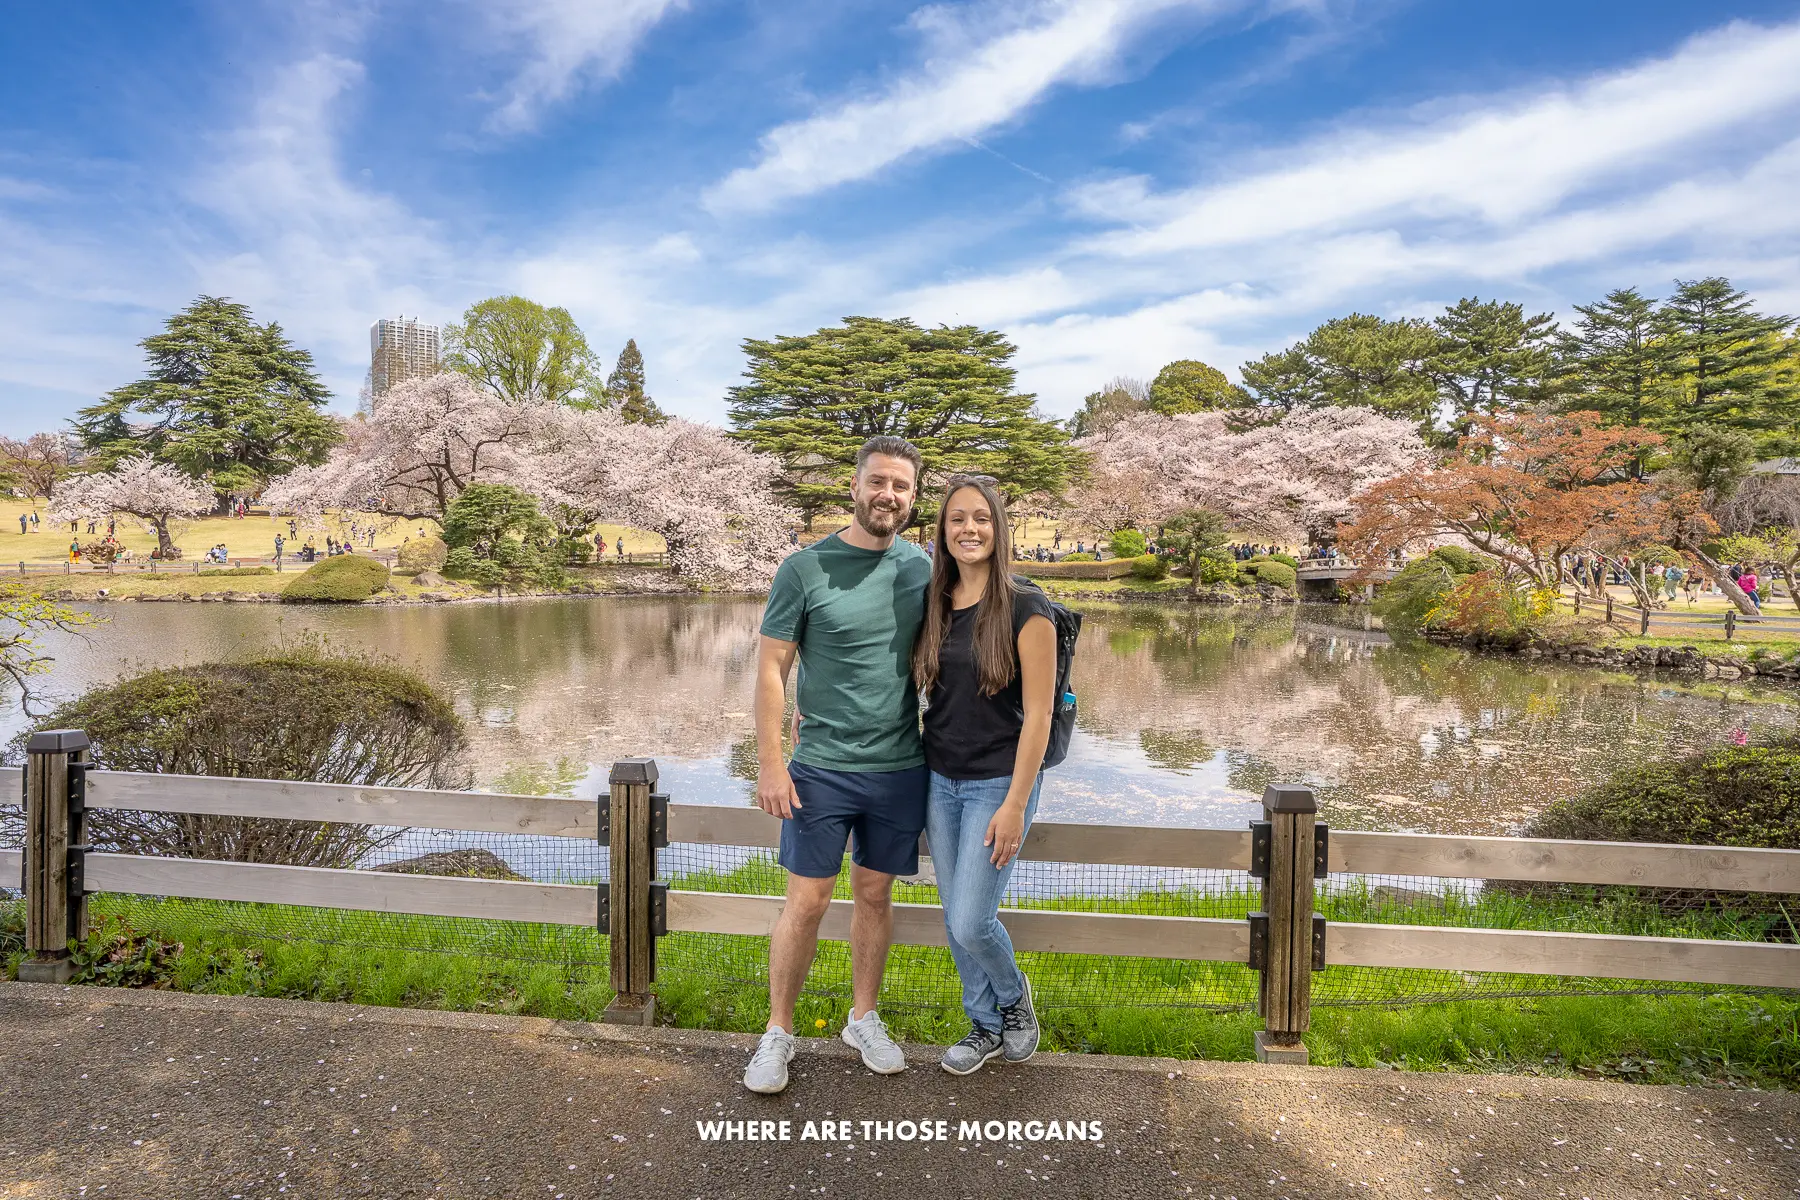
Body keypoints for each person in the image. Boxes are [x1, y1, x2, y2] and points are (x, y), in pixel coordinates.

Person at [743, 436, 931, 1096]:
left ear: (913, 498)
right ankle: (778, 1031)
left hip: (901, 767)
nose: (888, 495)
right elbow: (771, 667)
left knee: (875, 894)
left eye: (901, 486)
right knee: (809, 899)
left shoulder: (922, 571)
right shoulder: (804, 568)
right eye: (878, 481)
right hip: (819, 767)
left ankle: (863, 1017)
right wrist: (771, 763)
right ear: (854, 487)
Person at [914, 474, 1053, 1075]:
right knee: (954, 917)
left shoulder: (1028, 606)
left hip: (998, 782)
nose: (969, 530)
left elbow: (1041, 713)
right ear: (942, 533)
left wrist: (1017, 803)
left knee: (972, 917)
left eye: (981, 519)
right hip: (938, 781)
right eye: (956, 520)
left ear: (998, 528)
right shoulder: (934, 603)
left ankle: (1015, 998)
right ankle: (985, 1025)